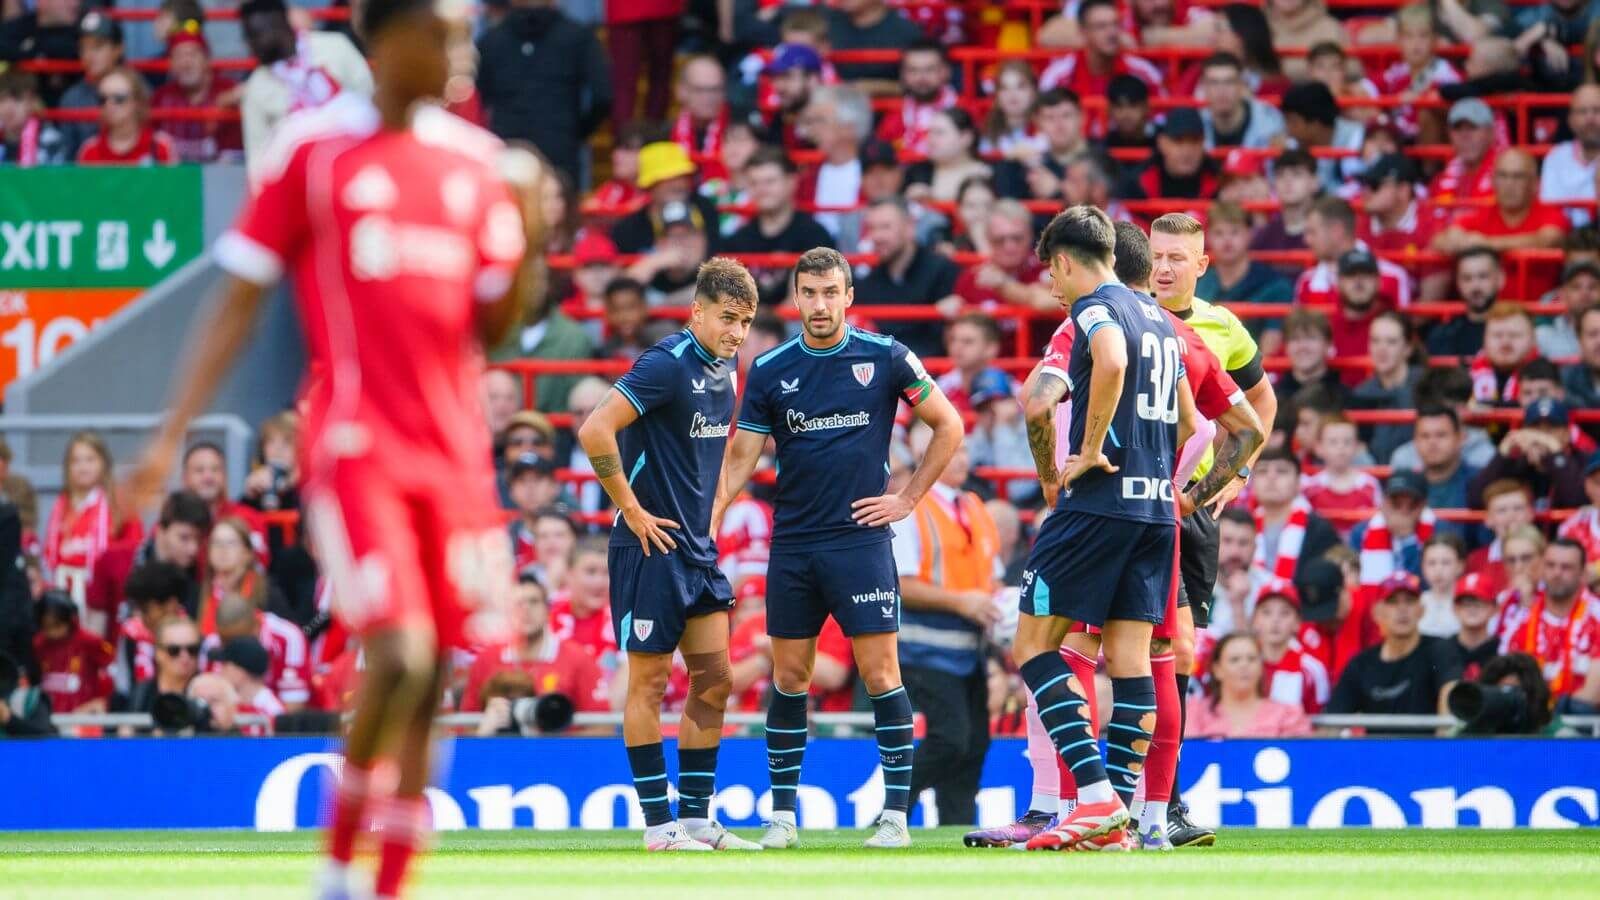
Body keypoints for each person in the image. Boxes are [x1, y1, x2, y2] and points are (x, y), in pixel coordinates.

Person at [122, 0, 543, 892]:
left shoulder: (476, 167)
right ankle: (335, 870)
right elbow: (238, 297)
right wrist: (168, 437)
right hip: (359, 446)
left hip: (458, 457)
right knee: (404, 654)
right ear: (383, 41)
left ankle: (381, 884)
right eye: (445, 34)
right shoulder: (315, 153)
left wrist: (533, 230)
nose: (463, 54)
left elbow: (496, 323)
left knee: (435, 684)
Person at [714, 246, 963, 850]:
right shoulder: (771, 368)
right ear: (795, 298)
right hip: (795, 543)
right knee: (790, 675)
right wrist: (713, 514)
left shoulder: (885, 357)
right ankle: (781, 817)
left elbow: (948, 425)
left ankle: (896, 819)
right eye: (810, 293)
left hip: (860, 541)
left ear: (849, 296)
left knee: (882, 673)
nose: (821, 304)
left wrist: (906, 499)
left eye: (832, 292)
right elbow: (743, 453)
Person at [1007, 206, 1194, 852]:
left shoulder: (1093, 309)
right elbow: (1191, 422)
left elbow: (1053, 393)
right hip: (1156, 509)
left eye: (1051, 275)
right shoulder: (1162, 319)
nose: (1053, 290)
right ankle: (1111, 823)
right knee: (1132, 661)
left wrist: (1076, 458)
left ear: (1064, 261)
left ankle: (1092, 797)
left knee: (1032, 645)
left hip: (1097, 505)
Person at [573, 259, 761, 852]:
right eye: (727, 318)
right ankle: (659, 826)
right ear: (697, 311)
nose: (736, 332)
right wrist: (629, 508)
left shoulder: (726, 370)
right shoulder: (664, 364)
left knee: (715, 679)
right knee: (650, 684)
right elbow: (594, 430)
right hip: (649, 547)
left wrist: (714, 515)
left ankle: (699, 818)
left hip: (697, 552)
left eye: (747, 321)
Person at [893, 438, 1001, 827]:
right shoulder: (910, 508)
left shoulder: (974, 507)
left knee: (973, 746)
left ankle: (957, 828)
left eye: (966, 451)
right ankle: (892, 810)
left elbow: (992, 577)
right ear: (928, 456)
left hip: (972, 649)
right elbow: (901, 585)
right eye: (953, 451)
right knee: (950, 738)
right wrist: (962, 602)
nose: (963, 460)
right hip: (924, 647)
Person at [473, 0, 609, 182]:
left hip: (508, 150)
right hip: (560, 148)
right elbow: (603, 95)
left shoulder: (490, 40)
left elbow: (476, 97)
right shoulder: (579, 37)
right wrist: (576, 132)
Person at [237, 0, 372, 180]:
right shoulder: (257, 88)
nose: (251, 44)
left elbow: (370, 98)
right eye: (248, 37)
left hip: (357, 164)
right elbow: (258, 162)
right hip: (299, 183)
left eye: (256, 34)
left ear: (281, 24)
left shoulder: (335, 47)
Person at [1327, 572, 1462, 724]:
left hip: (1426, 746)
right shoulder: (1361, 665)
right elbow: (1333, 722)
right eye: (1392, 602)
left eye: (1410, 601)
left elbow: (1450, 699)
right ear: (1377, 612)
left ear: (1421, 610)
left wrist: (1443, 743)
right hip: (1377, 747)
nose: (1402, 609)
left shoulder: (1441, 650)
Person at [460, 577, 606, 716]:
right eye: (518, 603)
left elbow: (601, 725)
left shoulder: (578, 659)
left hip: (560, 742)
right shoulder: (486, 660)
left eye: (533, 602)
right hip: (499, 742)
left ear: (548, 610)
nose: (526, 610)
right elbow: (465, 725)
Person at [44, 431, 142, 626]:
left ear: (103, 464)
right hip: (64, 597)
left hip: (105, 601)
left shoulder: (118, 503)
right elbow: (49, 553)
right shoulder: (61, 506)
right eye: (76, 461)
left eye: (90, 459)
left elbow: (133, 549)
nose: (83, 467)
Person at [85, 491, 208, 643]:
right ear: (160, 530)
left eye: (198, 539)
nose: (193, 549)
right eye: (184, 538)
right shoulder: (113, 560)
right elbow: (94, 633)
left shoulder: (202, 574)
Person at [725, 147, 835, 306]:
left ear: (792, 182)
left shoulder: (815, 235)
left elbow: (804, 301)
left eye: (770, 181)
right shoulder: (737, 240)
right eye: (754, 183)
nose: (761, 190)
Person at [1494, 538, 1600, 703]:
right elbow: (1506, 680)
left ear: (1583, 574)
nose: (1557, 573)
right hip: (1529, 722)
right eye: (1550, 565)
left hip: (1582, 722)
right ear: (1542, 569)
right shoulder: (1520, 618)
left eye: (1566, 567)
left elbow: (1594, 692)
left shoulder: (1597, 617)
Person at [855, 198, 962, 358]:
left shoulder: (943, 271)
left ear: (909, 227)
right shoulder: (867, 282)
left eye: (885, 227)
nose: (876, 236)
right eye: (871, 228)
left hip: (930, 375)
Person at [1435, 149, 1570, 262]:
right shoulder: (1483, 213)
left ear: (1535, 184)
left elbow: (1547, 240)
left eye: (1518, 176)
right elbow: (1441, 239)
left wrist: (1486, 244)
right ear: (1493, 181)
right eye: (1502, 176)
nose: (1509, 184)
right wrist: (1455, 239)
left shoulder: (1550, 213)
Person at [1194, 201, 1293, 345]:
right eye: (1218, 233)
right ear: (1207, 237)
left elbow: (1272, 342)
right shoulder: (1197, 285)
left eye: (1235, 232)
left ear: (1250, 234)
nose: (1227, 240)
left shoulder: (1275, 286)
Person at [1359, 154, 1450, 301]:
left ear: (1403, 190)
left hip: (1417, 320)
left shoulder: (1432, 226)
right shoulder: (1357, 224)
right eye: (1365, 184)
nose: (1366, 192)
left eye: (1375, 185)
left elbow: (1429, 303)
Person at [1295, 197, 1412, 310]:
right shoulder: (1306, 282)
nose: (1306, 240)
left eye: (1312, 232)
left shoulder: (1392, 277)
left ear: (1337, 230)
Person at [1187, 633, 1314, 737]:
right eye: (1235, 659)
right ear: (1217, 669)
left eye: (1252, 659)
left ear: (1261, 667)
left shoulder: (1288, 714)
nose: (1244, 665)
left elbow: (1301, 758)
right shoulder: (1194, 711)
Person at [151, 22, 243, 163]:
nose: (186, 63)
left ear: (207, 59)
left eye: (192, 54)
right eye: (178, 56)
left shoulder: (228, 89)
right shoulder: (161, 97)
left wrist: (229, 100)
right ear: (171, 64)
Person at [1475, 397, 1588, 509]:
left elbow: (1579, 501)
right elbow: (1476, 500)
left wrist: (1556, 455)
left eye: (1551, 428)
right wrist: (1502, 455)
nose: (1542, 435)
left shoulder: (1583, 461)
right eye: (1536, 428)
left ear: (1567, 434)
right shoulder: (1515, 463)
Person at [1038, 0, 1163, 100]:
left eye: (1115, 24)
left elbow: (1161, 121)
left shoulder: (1143, 73)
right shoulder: (1058, 76)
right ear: (1083, 32)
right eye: (1101, 26)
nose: (1112, 33)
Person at [1252, 447, 1343, 579]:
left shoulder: (1319, 529)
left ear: (1298, 482)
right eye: (1262, 471)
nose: (1271, 477)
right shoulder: (1241, 527)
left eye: (1282, 471)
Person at [952, 202, 1052, 314]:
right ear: (988, 240)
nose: (1009, 247)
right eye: (999, 240)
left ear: (1030, 236)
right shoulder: (970, 279)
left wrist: (1004, 285)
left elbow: (1048, 302)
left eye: (1017, 238)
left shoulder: (1049, 270)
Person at [1351, 312, 1423, 462]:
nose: (1381, 349)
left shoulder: (1426, 385)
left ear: (1408, 348)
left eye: (1391, 342)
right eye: (1375, 341)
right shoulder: (1361, 394)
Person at [111, 561, 189, 698]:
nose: (141, 617)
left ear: (171, 605)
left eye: (145, 609)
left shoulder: (191, 635)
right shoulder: (131, 635)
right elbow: (122, 687)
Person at [55, 9, 124, 156]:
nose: (89, 55)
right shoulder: (71, 98)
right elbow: (68, 160)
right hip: (84, 177)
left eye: (97, 46)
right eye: (83, 47)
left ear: (118, 49)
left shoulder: (137, 90)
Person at [32, 591, 114, 714]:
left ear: (69, 619)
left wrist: (101, 700)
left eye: (57, 625)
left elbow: (110, 671)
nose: (52, 632)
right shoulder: (39, 644)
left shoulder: (89, 641)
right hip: (49, 717)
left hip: (82, 715)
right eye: (46, 627)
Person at [76, 66, 177, 165]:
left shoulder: (161, 146)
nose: (109, 105)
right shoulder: (89, 151)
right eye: (102, 99)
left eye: (119, 98)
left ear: (137, 101)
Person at [607, 2, 681, 134]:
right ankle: (650, 141)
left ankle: (625, 145)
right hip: (661, 9)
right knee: (659, 79)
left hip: (626, 9)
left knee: (623, 84)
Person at [872, 39, 956, 155]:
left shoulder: (964, 110)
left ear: (946, 71)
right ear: (903, 75)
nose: (921, 77)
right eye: (913, 70)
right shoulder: (893, 117)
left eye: (929, 69)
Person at [1279, 80, 1364, 193]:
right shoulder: (1292, 144)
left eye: (1293, 122)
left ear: (1315, 124)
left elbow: (1357, 188)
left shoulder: (1357, 137)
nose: (1287, 129)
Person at [1302, 413, 1383, 524]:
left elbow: (1379, 522)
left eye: (1347, 441)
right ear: (1318, 447)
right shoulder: (1310, 487)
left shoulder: (1369, 485)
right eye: (1333, 442)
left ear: (1356, 446)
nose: (1341, 447)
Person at [1540, 85, 1600, 228]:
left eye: (1597, 110)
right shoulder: (1556, 157)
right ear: (1570, 120)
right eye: (1582, 111)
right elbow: (1551, 209)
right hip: (1567, 239)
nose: (1590, 118)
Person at [824, 0, 924, 85]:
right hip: (833, 103)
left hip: (892, 104)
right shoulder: (825, 24)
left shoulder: (907, 32)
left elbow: (920, 84)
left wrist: (877, 87)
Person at [1427, 247, 1504, 356]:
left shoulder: (1515, 333)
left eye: (1483, 276)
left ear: (1500, 278)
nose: (1475, 286)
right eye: (1467, 278)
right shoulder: (1442, 336)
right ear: (1457, 283)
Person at [1199, 52, 1285, 150]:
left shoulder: (1269, 120)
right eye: (1214, 82)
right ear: (1204, 87)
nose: (1221, 90)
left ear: (1241, 85)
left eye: (1229, 82)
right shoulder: (1197, 123)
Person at [1407, 405, 1482, 510]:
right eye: (1425, 436)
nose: (1432, 442)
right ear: (1415, 441)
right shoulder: (1404, 485)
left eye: (1441, 435)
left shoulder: (1481, 481)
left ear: (1461, 438)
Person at [1251, 148, 1320, 260]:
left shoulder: (1326, 234)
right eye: (1280, 175)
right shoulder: (1264, 236)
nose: (1287, 181)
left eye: (1296, 174)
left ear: (1315, 182)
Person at [1431, 98, 1501, 206]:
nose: (1465, 135)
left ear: (1490, 133)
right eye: (1458, 128)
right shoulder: (1439, 181)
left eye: (1472, 127)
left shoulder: (1508, 175)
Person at [218, 634, 284, 734]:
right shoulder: (232, 702)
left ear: (239, 673)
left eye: (225, 666)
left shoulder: (272, 710)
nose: (220, 671)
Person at [0, 70, 68, 166]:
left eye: (17, 99)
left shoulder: (50, 140)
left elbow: (55, 179)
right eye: (2, 99)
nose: (8, 108)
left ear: (32, 102)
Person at [1539, 261, 1600, 358]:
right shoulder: (1543, 336)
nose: (1585, 293)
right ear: (1562, 294)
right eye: (1576, 287)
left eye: (1592, 287)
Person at [1450, 572, 1501, 681]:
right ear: (1454, 608)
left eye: (1479, 602)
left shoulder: (1503, 650)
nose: (1472, 608)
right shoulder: (1441, 650)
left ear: (1495, 608)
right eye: (1466, 603)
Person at [1419, 534, 1468, 638]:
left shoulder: (1469, 604)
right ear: (1422, 567)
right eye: (1431, 563)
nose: (1438, 570)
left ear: (1460, 566)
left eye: (1446, 563)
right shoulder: (1417, 603)